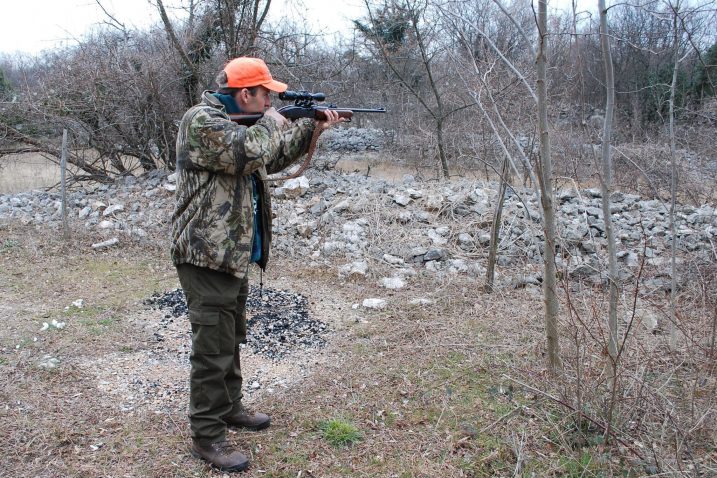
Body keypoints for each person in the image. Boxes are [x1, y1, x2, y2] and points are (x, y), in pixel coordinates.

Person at [171, 57, 343, 472]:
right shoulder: (202, 122)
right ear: (245, 94)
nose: (271, 99)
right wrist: (275, 118)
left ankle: (230, 408)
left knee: (229, 339)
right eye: (266, 94)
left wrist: (310, 127)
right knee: (212, 349)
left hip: (231, 253)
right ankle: (207, 435)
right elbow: (247, 151)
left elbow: (271, 156)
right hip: (205, 255)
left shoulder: (243, 123)